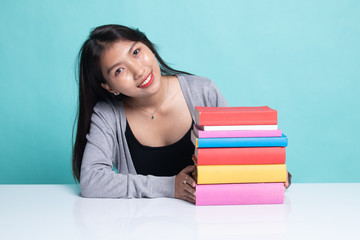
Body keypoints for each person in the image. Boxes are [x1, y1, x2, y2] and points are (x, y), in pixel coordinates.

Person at [72, 24, 291, 204]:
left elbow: (235, 154)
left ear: (149, 47)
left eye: (136, 52)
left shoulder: (202, 92)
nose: (138, 71)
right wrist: (170, 186)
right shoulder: (108, 115)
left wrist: (269, 174)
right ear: (110, 87)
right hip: (140, 228)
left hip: (208, 224)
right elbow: (92, 181)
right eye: (119, 70)